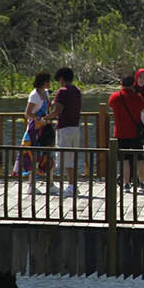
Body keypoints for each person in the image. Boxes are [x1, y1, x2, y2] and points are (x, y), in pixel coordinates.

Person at [108, 69, 144, 190]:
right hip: (134, 132)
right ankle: (142, 182)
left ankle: (126, 182)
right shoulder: (137, 97)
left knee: (124, 159)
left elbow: (111, 105)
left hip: (120, 132)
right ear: (133, 84)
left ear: (121, 83)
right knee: (139, 158)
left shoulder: (115, 96)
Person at [49, 66, 84, 196]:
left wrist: (45, 118)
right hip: (75, 127)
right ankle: (74, 184)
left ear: (62, 78)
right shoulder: (76, 90)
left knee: (65, 157)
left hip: (64, 128)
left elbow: (57, 110)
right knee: (73, 156)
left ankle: (71, 185)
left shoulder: (62, 91)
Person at [21, 71, 52, 180]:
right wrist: (39, 119)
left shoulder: (46, 93)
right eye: (47, 81)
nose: (49, 83)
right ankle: (31, 182)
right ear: (42, 82)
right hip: (35, 128)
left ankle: (50, 182)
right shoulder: (34, 95)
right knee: (32, 154)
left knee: (47, 154)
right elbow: (27, 113)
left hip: (46, 127)